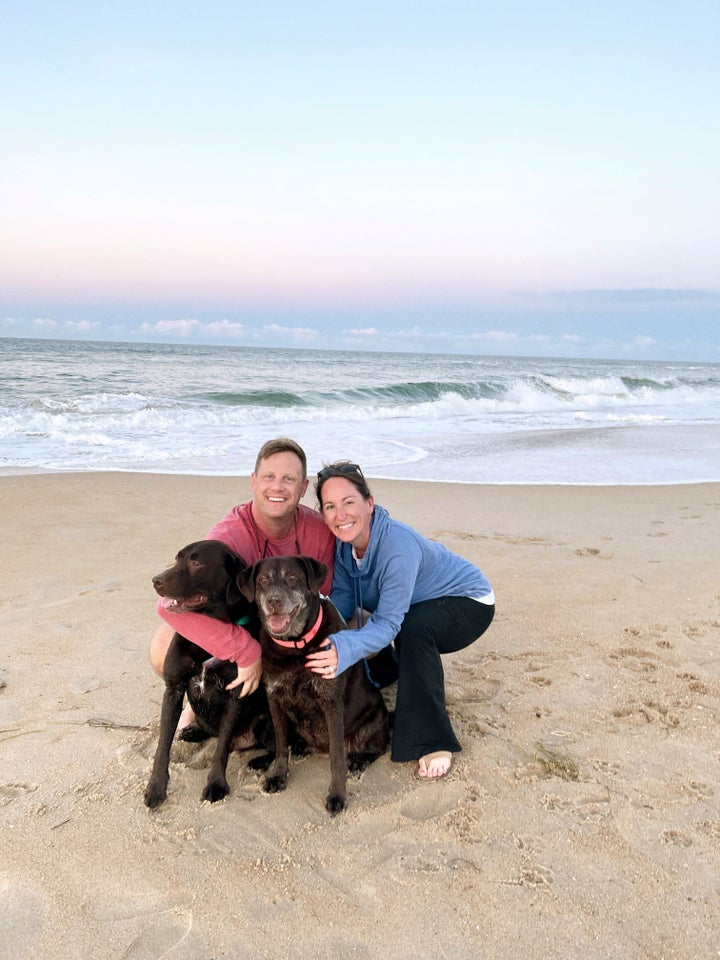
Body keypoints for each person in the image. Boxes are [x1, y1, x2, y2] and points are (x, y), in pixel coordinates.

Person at [307, 461, 495, 780]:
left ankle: (434, 738)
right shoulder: (343, 546)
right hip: (415, 605)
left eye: (349, 502)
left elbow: (387, 625)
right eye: (330, 506)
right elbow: (343, 604)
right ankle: (387, 669)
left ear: (369, 503)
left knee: (412, 627)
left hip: (469, 602)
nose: (341, 514)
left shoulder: (397, 546)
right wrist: (317, 637)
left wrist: (344, 646)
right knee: (358, 624)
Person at [149, 438, 335, 710]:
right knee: (163, 646)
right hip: (241, 626)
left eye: (289, 479)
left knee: (355, 626)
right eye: (269, 477)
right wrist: (246, 652)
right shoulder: (228, 538)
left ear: (303, 487)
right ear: (254, 481)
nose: (277, 487)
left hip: (293, 628)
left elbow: (331, 594)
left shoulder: (318, 530)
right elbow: (166, 606)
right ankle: (197, 698)